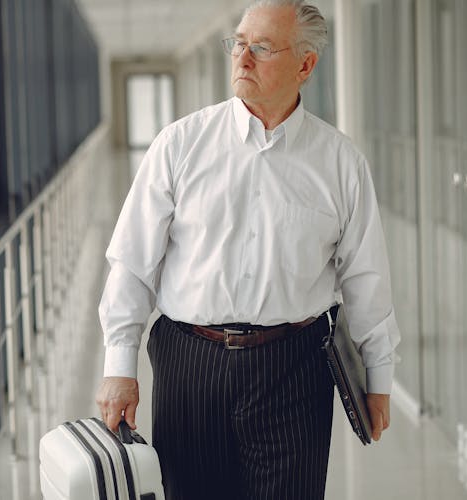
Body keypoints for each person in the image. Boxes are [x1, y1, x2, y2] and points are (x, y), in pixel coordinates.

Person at [96, 0, 401, 498]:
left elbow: (366, 277)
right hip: (190, 366)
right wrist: (118, 367)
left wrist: (379, 374)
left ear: (306, 65)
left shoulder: (340, 163)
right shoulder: (180, 145)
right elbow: (132, 264)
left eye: (261, 47)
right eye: (238, 43)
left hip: (295, 369)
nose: (242, 59)